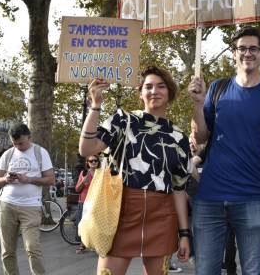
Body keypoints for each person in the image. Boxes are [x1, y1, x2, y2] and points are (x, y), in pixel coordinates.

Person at [188, 26, 260, 275]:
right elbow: (200, 136)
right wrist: (198, 104)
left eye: (253, 48)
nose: (247, 53)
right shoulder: (217, 88)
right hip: (209, 199)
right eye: (241, 48)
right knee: (205, 271)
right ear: (234, 53)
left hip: (254, 199)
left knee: (254, 271)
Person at [79, 66, 192, 275]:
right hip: (120, 214)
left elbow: (179, 188)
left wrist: (185, 232)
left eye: (161, 86)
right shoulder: (123, 120)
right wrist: (95, 104)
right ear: (140, 93)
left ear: (170, 92)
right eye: (148, 87)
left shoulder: (179, 137)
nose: (154, 91)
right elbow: (86, 149)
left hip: (162, 217)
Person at [0, 123, 55, 275]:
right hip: (6, 205)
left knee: (32, 247)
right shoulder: (8, 154)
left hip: (31, 206)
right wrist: (6, 179)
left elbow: (50, 180)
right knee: (7, 250)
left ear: (29, 137)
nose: (18, 147)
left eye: (21, 143)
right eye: (14, 144)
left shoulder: (40, 152)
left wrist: (29, 179)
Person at [74, 155, 100, 254]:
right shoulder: (84, 173)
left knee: (96, 224)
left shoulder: (100, 173)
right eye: (91, 161)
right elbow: (77, 189)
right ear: (88, 163)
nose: (93, 162)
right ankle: (82, 244)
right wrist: (83, 181)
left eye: (95, 160)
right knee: (84, 224)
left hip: (97, 202)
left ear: (98, 162)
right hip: (85, 201)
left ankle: (95, 244)